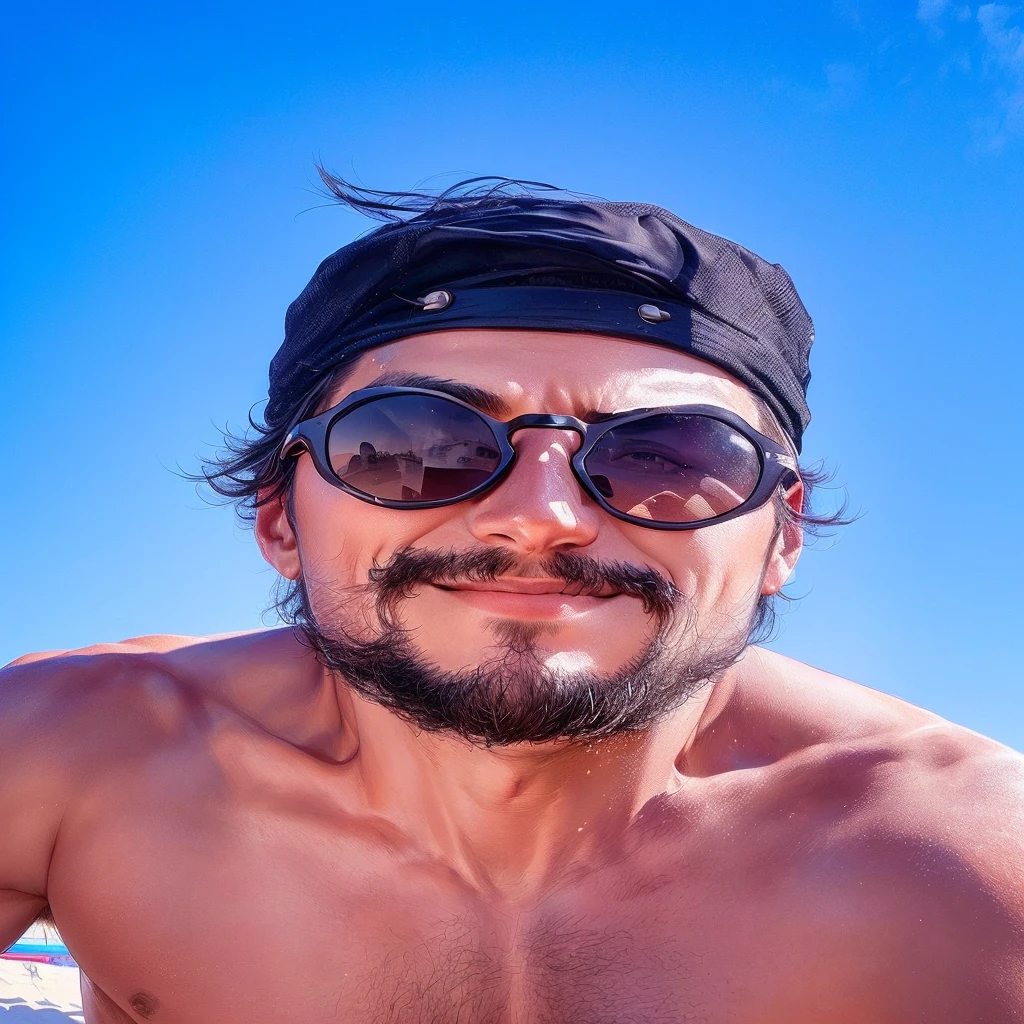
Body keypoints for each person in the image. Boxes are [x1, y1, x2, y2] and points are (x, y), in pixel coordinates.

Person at [3, 176, 1022, 1024]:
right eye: (415, 446)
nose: (539, 518)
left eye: (667, 456)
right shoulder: (73, 760)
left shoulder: (969, 865)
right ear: (279, 517)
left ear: (780, 536)